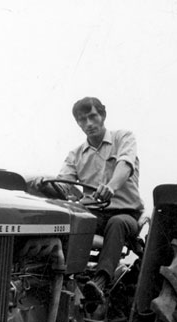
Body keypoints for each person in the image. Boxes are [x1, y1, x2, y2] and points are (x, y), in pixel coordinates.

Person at [31, 97, 144, 303]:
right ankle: (57, 278)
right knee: (66, 221)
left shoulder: (123, 138)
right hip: (94, 214)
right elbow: (65, 184)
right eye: (82, 120)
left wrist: (111, 187)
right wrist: (46, 185)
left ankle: (100, 282)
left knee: (117, 223)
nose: (88, 124)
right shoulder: (75, 154)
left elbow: (125, 166)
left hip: (125, 213)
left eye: (92, 116)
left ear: (103, 116)